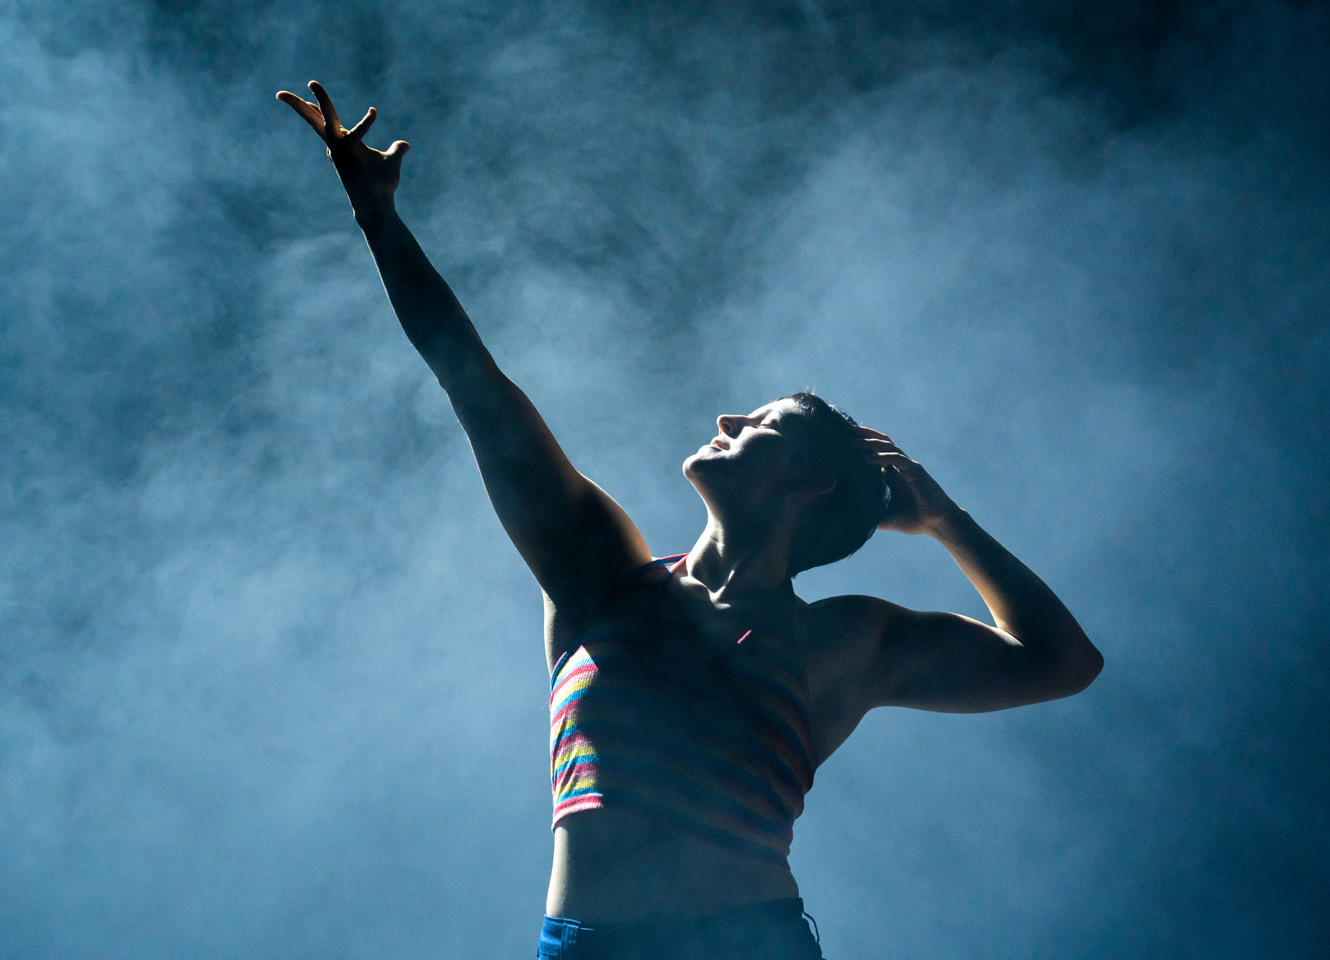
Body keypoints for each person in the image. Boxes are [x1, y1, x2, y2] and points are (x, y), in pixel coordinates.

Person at [277, 81, 1104, 960]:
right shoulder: (601, 576)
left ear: (809, 486)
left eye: (759, 426)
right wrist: (378, 219)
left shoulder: (843, 643)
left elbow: (1063, 663)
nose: (726, 421)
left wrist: (946, 520)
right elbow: (473, 382)